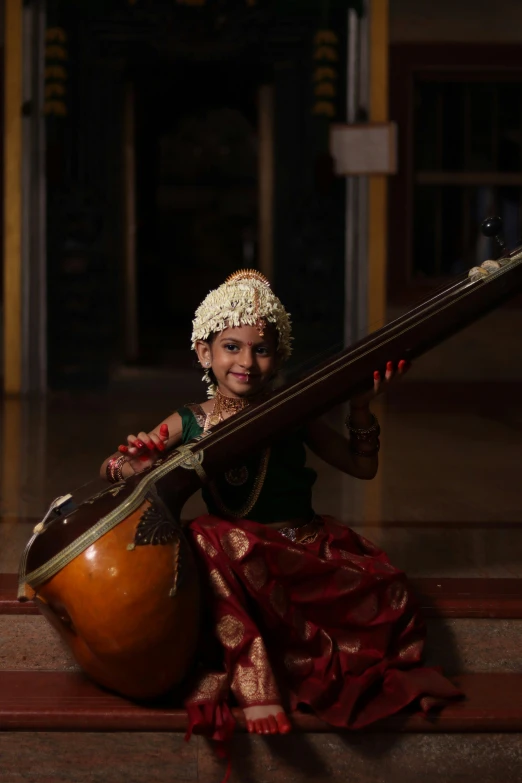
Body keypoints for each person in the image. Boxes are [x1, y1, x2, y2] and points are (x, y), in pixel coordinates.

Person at [100, 270, 460, 741]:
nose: (246, 361)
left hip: (300, 553)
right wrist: (136, 461)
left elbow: (361, 466)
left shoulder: (293, 410)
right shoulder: (191, 422)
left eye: (261, 349)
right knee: (206, 532)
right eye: (231, 346)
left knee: (390, 595)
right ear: (204, 353)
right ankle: (255, 682)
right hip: (234, 564)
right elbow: (112, 469)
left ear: (279, 355)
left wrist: (359, 407)